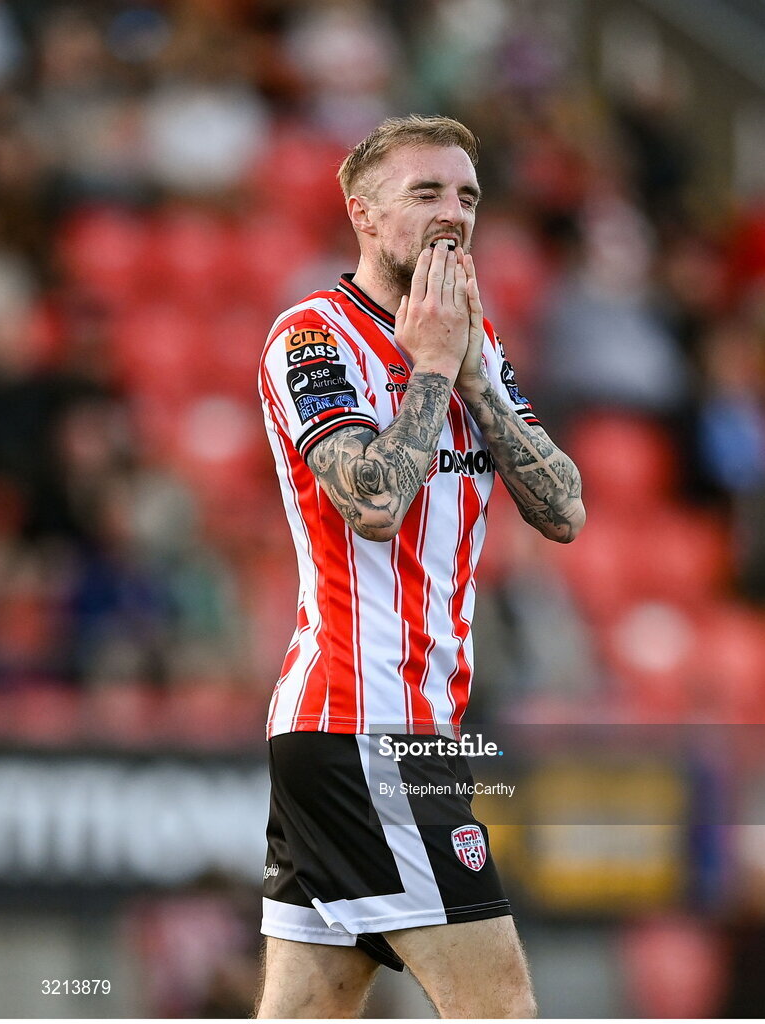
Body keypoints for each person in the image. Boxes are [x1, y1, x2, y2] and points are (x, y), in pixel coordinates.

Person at [255, 115, 584, 1018]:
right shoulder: (312, 338)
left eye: (469, 196)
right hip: (363, 722)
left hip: (406, 726)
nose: (455, 214)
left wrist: (474, 374)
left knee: (309, 1008)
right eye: (427, 193)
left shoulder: (477, 346)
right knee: (499, 1007)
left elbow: (565, 510)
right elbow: (371, 503)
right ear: (363, 212)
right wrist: (433, 366)